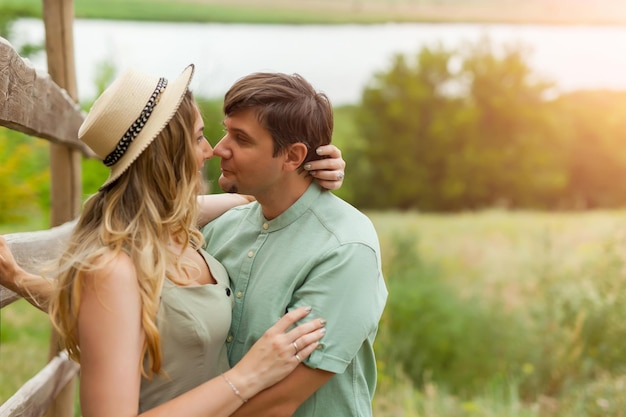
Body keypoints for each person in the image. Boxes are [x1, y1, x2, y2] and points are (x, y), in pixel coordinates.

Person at [0, 64, 340, 417]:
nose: (211, 150)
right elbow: (109, 304)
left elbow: (260, 196)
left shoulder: (170, 227)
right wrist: (247, 376)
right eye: (197, 137)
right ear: (166, 154)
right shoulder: (114, 266)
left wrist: (313, 169)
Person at [201, 72, 388, 416]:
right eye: (226, 130)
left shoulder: (346, 248)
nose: (218, 148)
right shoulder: (221, 229)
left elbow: (279, 402)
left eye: (240, 138)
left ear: (292, 156)